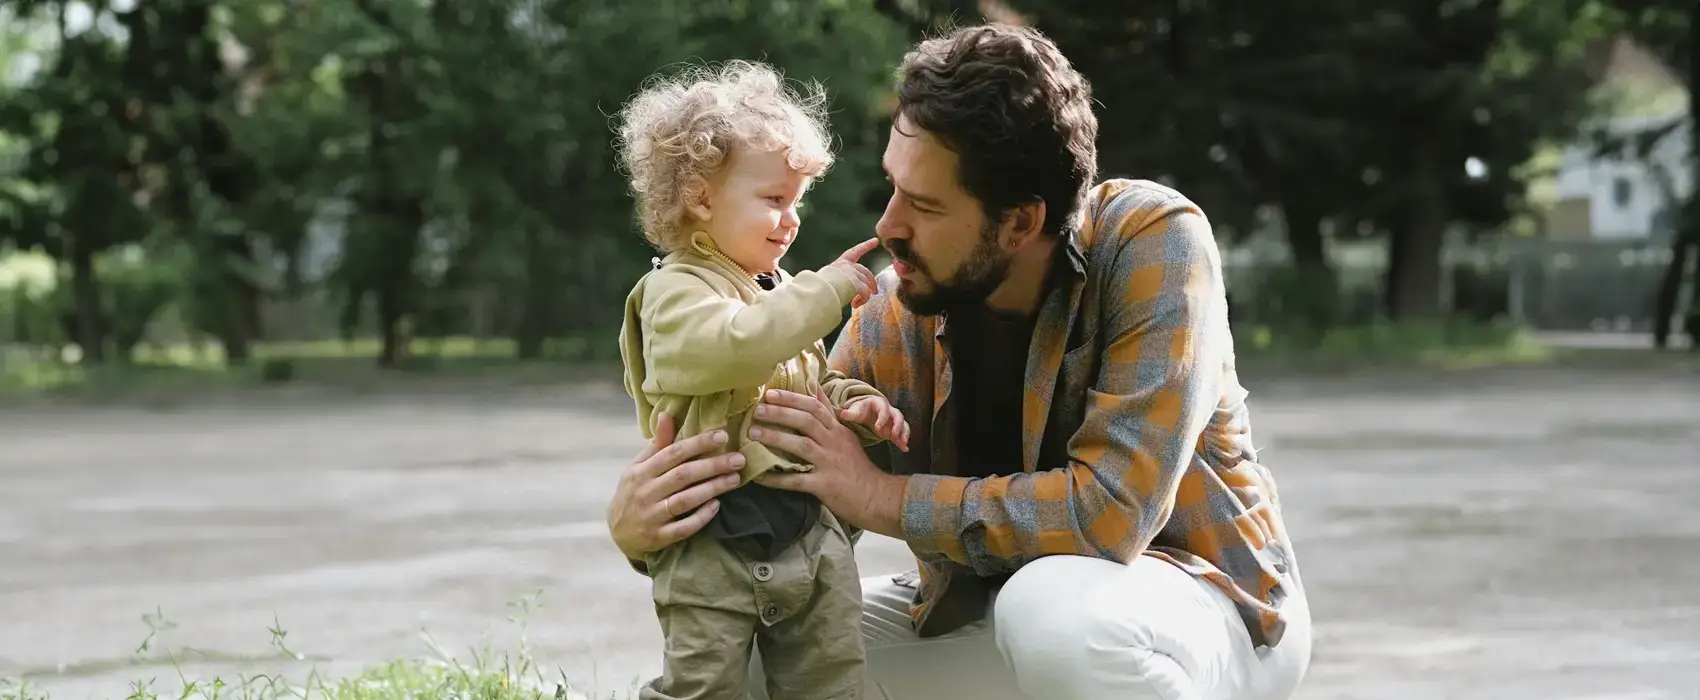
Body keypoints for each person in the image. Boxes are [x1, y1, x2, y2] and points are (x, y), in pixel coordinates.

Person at [607, 23, 1313, 700]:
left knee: (1053, 619)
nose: (887, 225)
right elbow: (803, 488)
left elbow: (1109, 516)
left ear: (1019, 222)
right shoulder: (899, 306)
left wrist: (880, 496)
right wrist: (647, 529)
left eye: (923, 204)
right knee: (763, 662)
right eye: (891, 187)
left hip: (1207, 616)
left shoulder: (1150, 240)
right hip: (999, 612)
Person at [612, 59, 914, 700]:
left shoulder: (770, 294)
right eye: (774, 200)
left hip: (807, 534)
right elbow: (735, 351)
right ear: (700, 198)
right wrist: (826, 289)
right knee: (704, 684)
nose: (792, 219)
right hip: (711, 541)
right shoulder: (674, 293)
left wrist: (853, 401)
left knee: (833, 679)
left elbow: (800, 381)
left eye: (797, 202)